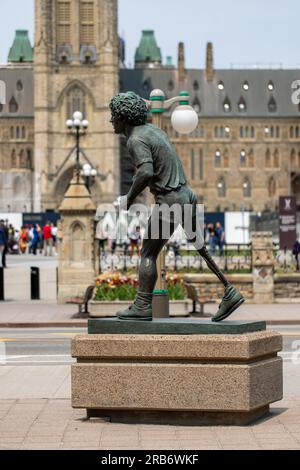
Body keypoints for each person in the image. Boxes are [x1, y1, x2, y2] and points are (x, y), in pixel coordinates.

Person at [110, 91, 244, 322]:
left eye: (113, 115)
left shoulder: (135, 139)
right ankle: (229, 290)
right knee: (200, 245)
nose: (111, 120)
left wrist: (128, 198)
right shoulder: (155, 131)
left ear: (123, 117)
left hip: (170, 201)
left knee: (148, 253)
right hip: (186, 194)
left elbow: (145, 172)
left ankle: (142, 305)